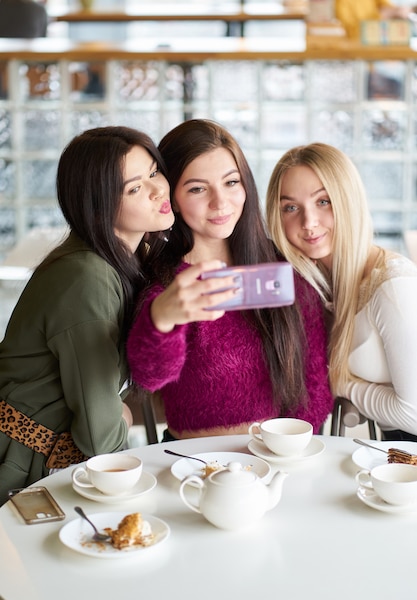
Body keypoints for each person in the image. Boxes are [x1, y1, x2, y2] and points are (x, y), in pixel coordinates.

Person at [126, 119, 333, 441]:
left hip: (279, 455)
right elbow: (150, 377)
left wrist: (287, 447)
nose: (220, 203)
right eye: (197, 188)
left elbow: (315, 384)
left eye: (231, 183)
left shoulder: (285, 268)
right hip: (193, 464)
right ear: (173, 199)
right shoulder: (166, 285)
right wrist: (161, 319)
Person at [0, 125, 174, 504]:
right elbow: (101, 438)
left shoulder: (126, 258)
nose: (159, 190)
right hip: (23, 465)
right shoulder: (87, 277)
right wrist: (123, 416)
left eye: (154, 172)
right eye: (135, 188)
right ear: (98, 207)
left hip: (49, 457)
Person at [266, 142, 417, 441]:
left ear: (347, 200)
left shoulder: (393, 288)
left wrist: (340, 383)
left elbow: (413, 414)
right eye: (291, 207)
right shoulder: (316, 285)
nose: (308, 223)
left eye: (323, 202)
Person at [334, 0, 414, 39]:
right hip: (360, 53)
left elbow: (388, 8)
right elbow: (352, 34)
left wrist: (398, 11)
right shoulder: (342, 3)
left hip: (383, 48)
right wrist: (382, 15)